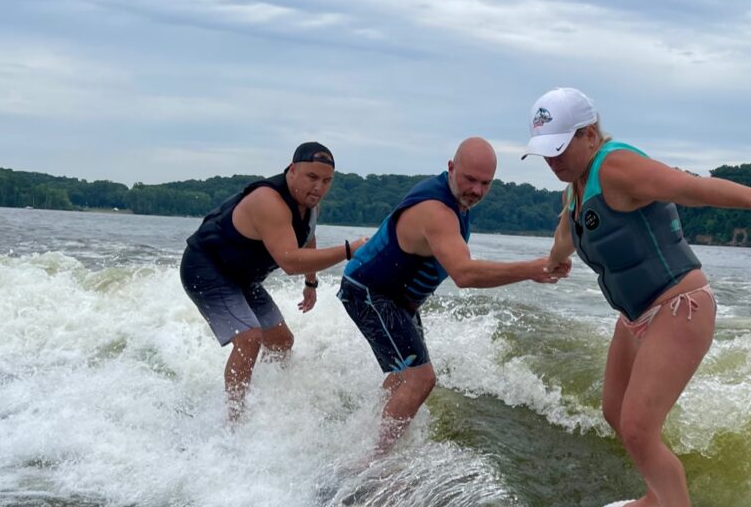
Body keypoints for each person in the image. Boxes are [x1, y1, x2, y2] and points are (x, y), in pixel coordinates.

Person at [527, 87, 751, 507]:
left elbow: (688, 186)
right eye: (546, 152)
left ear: (589, 134)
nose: (553, 161)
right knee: (613, 410)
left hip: (680, 307)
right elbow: (567, 232)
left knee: (638, 428)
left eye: (561, 148)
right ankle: (655, 495)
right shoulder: (576, 187)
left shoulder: (616, 165)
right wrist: (554, 261)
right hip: (635, 317)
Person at [340, 137, 567, 454]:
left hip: (394, 297)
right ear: (450, 168)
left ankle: (368, 437)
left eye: (485, 183)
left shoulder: (458, 202)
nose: (476, 190)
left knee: (404, 374)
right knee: (420, 379)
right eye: (470, 179)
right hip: (368, 292)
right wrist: (531, 269)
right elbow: (464, 274)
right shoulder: (437, 212)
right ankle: (373, 465)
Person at [181, 141, 366, 418]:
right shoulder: (269, 201)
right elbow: (290, 261)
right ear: (292, 170)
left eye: (327, 181)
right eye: (312, 177)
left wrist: (311, 283)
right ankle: (234, 418)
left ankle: (266, 401)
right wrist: (349, 250)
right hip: (206, 269)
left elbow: (308, 237)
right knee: (250, 338)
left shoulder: (311, 205)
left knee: (281, 342)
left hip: (243, 277)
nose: (319, 187)